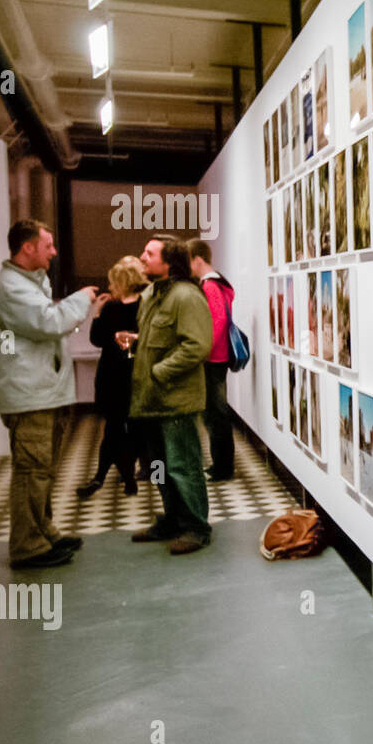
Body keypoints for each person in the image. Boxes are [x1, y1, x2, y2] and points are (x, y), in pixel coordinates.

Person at [0, 218, 106, 568]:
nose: (54, 252)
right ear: (28, 247)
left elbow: (50, 324)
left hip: (40, 392)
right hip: (31, 395)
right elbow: (50, 323)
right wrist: (81, 299)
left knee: (42, 470)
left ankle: (44, 532)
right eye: (48, 245)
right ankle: (28, 545)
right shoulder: (11, 288)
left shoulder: (27, 283)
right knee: (32, 472)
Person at [123, 235, 213, 555]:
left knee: (183, 465)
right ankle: (173, 520)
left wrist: (160, 371)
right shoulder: (151, 294)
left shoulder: (186, 296)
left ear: (169, 262)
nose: (142, 257)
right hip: (152, 401)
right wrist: (135, 342)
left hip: (175, 399)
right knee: (160, 465)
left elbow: (197, 346)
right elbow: (161, 339)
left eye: (150, 253)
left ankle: (196, 527)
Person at [77, 256, 147, 499]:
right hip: (135, 373)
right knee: (133, 430)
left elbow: (96, 339)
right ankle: (127, 478)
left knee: (114, 430)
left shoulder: (110, 307)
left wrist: (96, 314)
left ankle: (108, 477)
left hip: (111, 374)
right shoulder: (145, 306)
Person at [187, 238, 235, 481]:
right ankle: (221, 464)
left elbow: (217, 322)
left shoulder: (209, 286)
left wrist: (202, 351)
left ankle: (223, 467)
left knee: (215, 414)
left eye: (189, 261)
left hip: (213, 358)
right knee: (216, 413)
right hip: (218, 356)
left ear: (198, 259)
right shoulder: (217, 283)